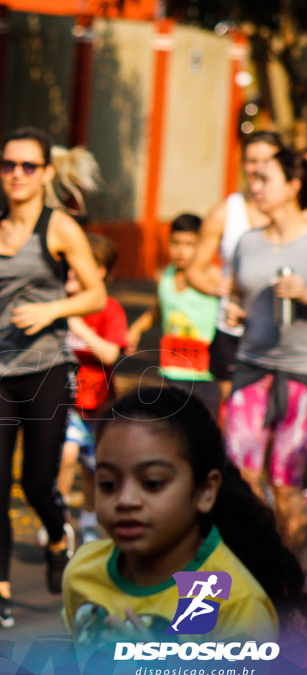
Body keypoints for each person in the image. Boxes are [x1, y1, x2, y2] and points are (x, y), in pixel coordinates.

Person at [0, 127, 106, 628]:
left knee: (38, 482)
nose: (17, 175)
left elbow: (95, 295)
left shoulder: (59, 228)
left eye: (29, 166)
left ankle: (57, 533)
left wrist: (51, 311)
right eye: (9, 165)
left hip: (46, 368)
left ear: (46, 172)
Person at [63, 386, 306, 649]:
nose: (126, 500)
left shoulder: (231, 603)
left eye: (152, 483)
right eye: (109, 484)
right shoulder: (82, 571)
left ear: (205, 491)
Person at [225, 146, 307, 559]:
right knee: (238, 479)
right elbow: (239, 292)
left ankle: (290, 583)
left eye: (265, 179)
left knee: (286, 483)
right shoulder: (247, 241)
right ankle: (248, 570)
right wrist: (237, 309)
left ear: (294, 186)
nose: (254, 186)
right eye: (252, 178)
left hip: (301, 375)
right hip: (251, 367)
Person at [186, 132, 282, 408]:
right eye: (251, 160)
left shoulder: (297, 215)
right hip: (233, 330)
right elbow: (195, 271)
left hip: (282, 332)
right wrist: (218, 290)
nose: (257, 168)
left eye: (266, 160)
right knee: (236, 410)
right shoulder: (225, 212)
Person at [49, 234, 128, 547]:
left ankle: (90, 520)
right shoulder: (58, 305)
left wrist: (77, 325)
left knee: (93, 468)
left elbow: (110, 354)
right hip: (66, 402)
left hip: (100, 406)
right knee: (66, 455)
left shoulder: (109, 309)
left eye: (78, 269)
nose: (71, 275)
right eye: (67, 269)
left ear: (99, 273)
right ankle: (57, 518)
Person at [126, 214, 221, 416]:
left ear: (202, 246)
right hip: (172, 369)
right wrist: (136, 329)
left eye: (189, 244)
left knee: (205, 426)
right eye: (176, 243)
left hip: (206, 373)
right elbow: (158, 311)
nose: (181, 250)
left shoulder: (213, 277)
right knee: (174, 425)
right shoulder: (164, 277)